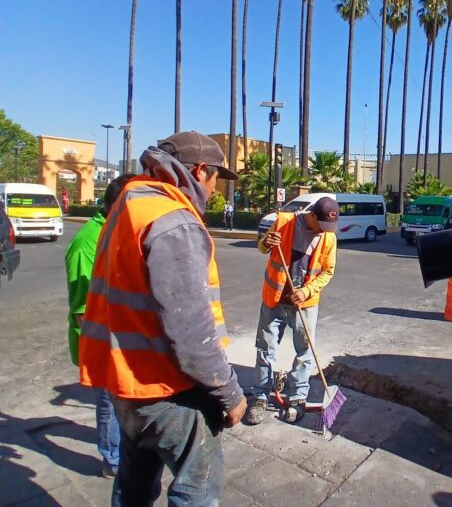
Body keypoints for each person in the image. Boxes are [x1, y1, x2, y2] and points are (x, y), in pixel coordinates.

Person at [79, 131, 247, 506]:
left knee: (133, 487)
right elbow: (191, 329)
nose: (216, 187)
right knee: (196, 491)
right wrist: (229, 394)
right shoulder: (173, 218)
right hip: (168, 389)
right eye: (217, 176)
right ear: (201, 170)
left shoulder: (130, 202)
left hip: (126, 384)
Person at [245, 196, 339, 425]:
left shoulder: (328, 237)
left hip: (304, 303)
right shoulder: (284, 221)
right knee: (265, 348)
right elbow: (262, 248)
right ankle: (259, 395)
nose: (323, 231)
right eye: (321, 225)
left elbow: (328, 271)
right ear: (312, 215)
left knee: (304, 353)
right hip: (274, 299)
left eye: (329, 228)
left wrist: (306, 291)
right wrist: (268, 242)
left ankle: (297, 398)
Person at [65, 174, 135, 478]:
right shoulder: (87, 244)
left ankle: (121, 447)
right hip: (104, 340)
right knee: (110, 401)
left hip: (123, 338)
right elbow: (83, 310)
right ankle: (113, 459)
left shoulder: (116, 230)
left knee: (122, 403)